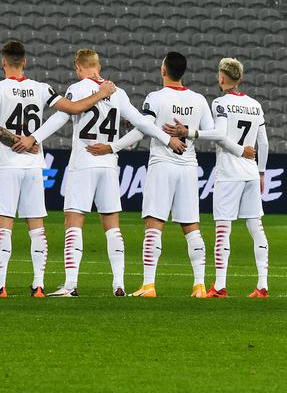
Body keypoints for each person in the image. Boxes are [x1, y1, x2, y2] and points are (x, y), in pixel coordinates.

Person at [0, 40, 114, 297]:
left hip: (8, 164)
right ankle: (38, 285)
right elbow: (73, 108)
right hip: (33, 164)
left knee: (4, 225)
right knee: (36, 226)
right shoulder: (42, 88)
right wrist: (101, 93)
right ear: (25, 62)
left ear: (3, 62)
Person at [20, 49, 183, 297]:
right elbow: (142, 122)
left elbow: (60, 118)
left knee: (73, 221)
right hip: (108, 164)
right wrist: (167, 139)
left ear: (78, 67)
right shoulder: (118, 92)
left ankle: (70, 285)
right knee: (112, 224)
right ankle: (119, 284)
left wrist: (34, 137)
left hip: (84, 162)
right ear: (98, 65)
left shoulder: (78, 88)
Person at [107, 53, 215, 298]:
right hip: (189, 165)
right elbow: (214, 132)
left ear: (163, 70)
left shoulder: (155, 97)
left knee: (154, 224)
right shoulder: (198, 99)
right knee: (191, 226)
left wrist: (115, 146)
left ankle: (149, 285)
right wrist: (189, 132)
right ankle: (199, 285)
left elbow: (142, 129)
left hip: (162, 164)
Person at [168, 57, 268, 298]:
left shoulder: (221, 103)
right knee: (256, 227)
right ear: (240, 78)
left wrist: (190, 132)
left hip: (229, 173)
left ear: (222, 77)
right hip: (251, 172)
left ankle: (220, 286)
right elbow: (263, 143)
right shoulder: (255, 104)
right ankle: (262, 285)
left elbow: (221, 135)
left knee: (223, 228)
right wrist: (261, 172)